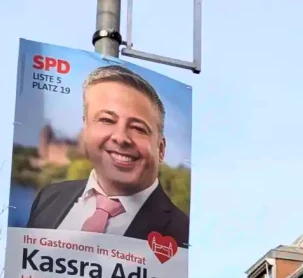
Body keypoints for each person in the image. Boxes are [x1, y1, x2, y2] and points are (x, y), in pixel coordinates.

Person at [26, 64, 189, 248]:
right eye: (106, 120)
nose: (121, 138)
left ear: (161, 149)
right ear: (86, 130)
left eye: (138, 128)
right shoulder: (48, 198)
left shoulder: (182, 231)